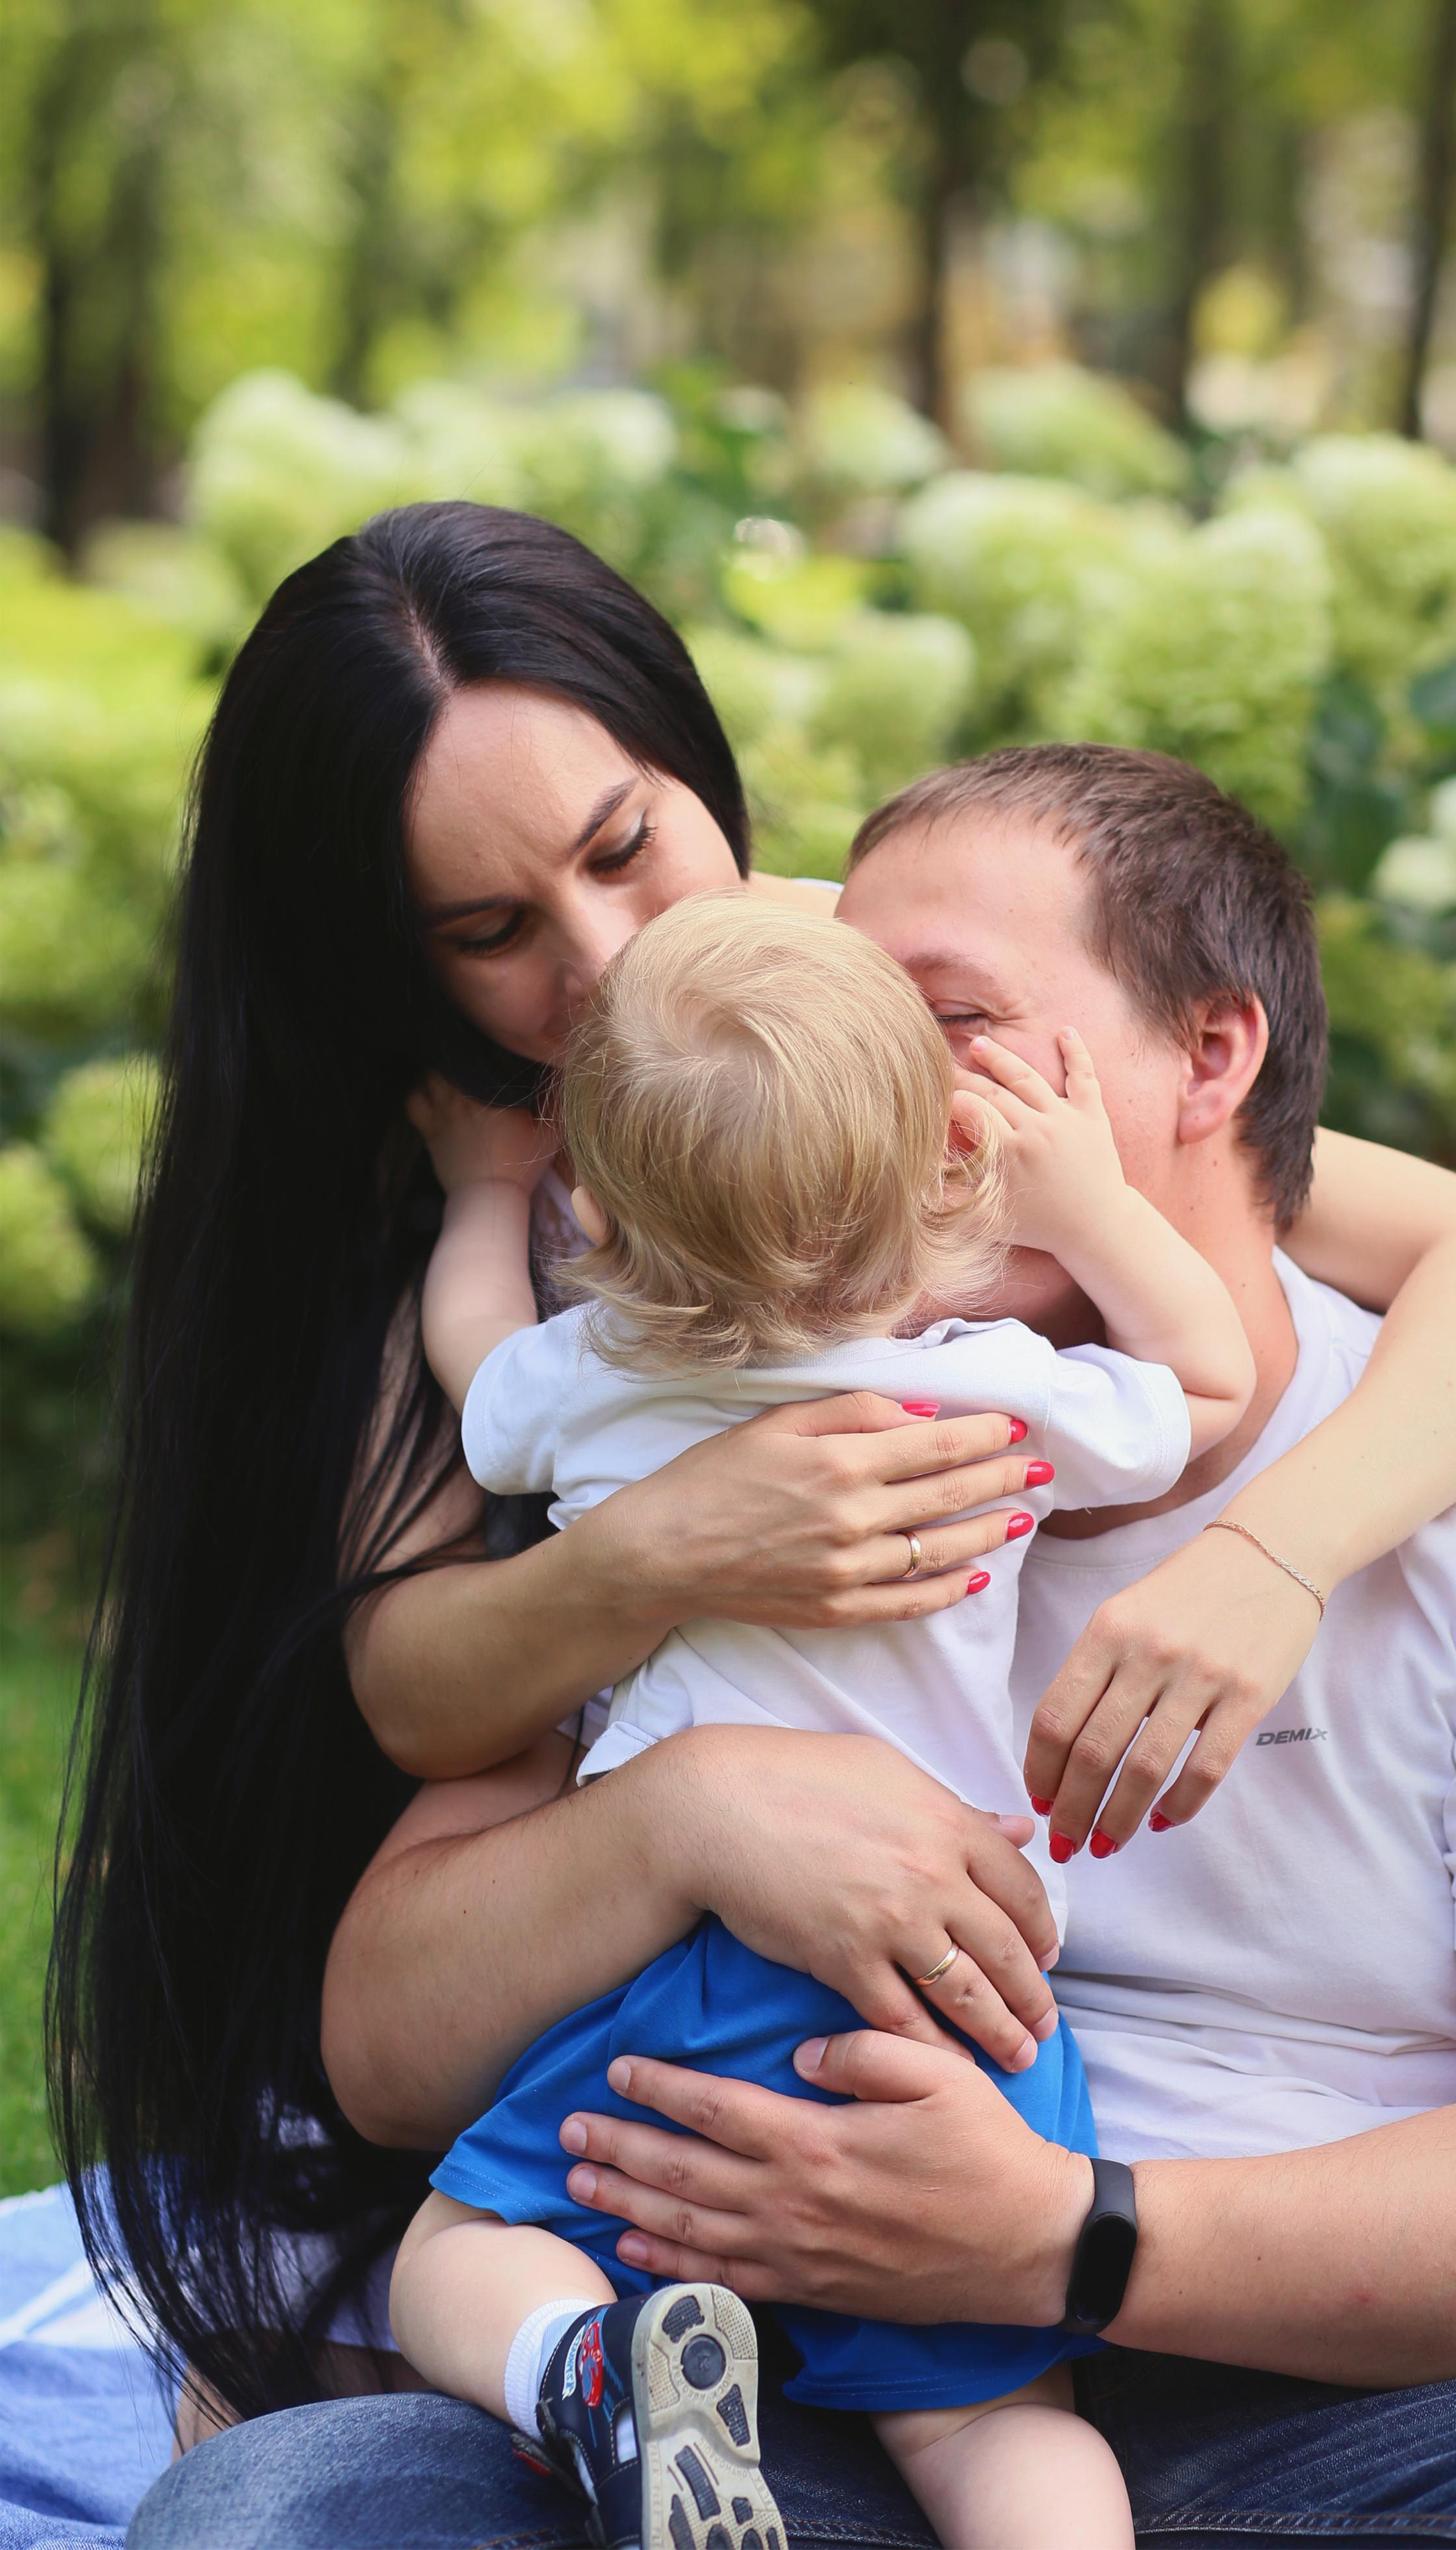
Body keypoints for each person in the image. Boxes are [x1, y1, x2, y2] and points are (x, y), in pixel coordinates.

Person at [56, 498, 1456, 2540]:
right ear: (397, 967)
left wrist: (1273, 1553)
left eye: (624, 848)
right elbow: (417, 1689)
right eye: (488, 932)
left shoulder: (886, 1020)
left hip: (983, 2083)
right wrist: (675, 1556)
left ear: (692, 766)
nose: (600, 963)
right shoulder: (469, 1162)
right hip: (643, 1989)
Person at [389, 891, 1259, 2549]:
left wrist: (480, 1192)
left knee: (453, 2257)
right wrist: (1085, 1208)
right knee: (996, 2425)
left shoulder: (597, 1374)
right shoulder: (984, 1392)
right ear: (949, 1167)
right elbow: (1204, 1388)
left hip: (698, 1969)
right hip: (952, 1987)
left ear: (605, 1213)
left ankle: (592, 2372)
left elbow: (473, 1362)